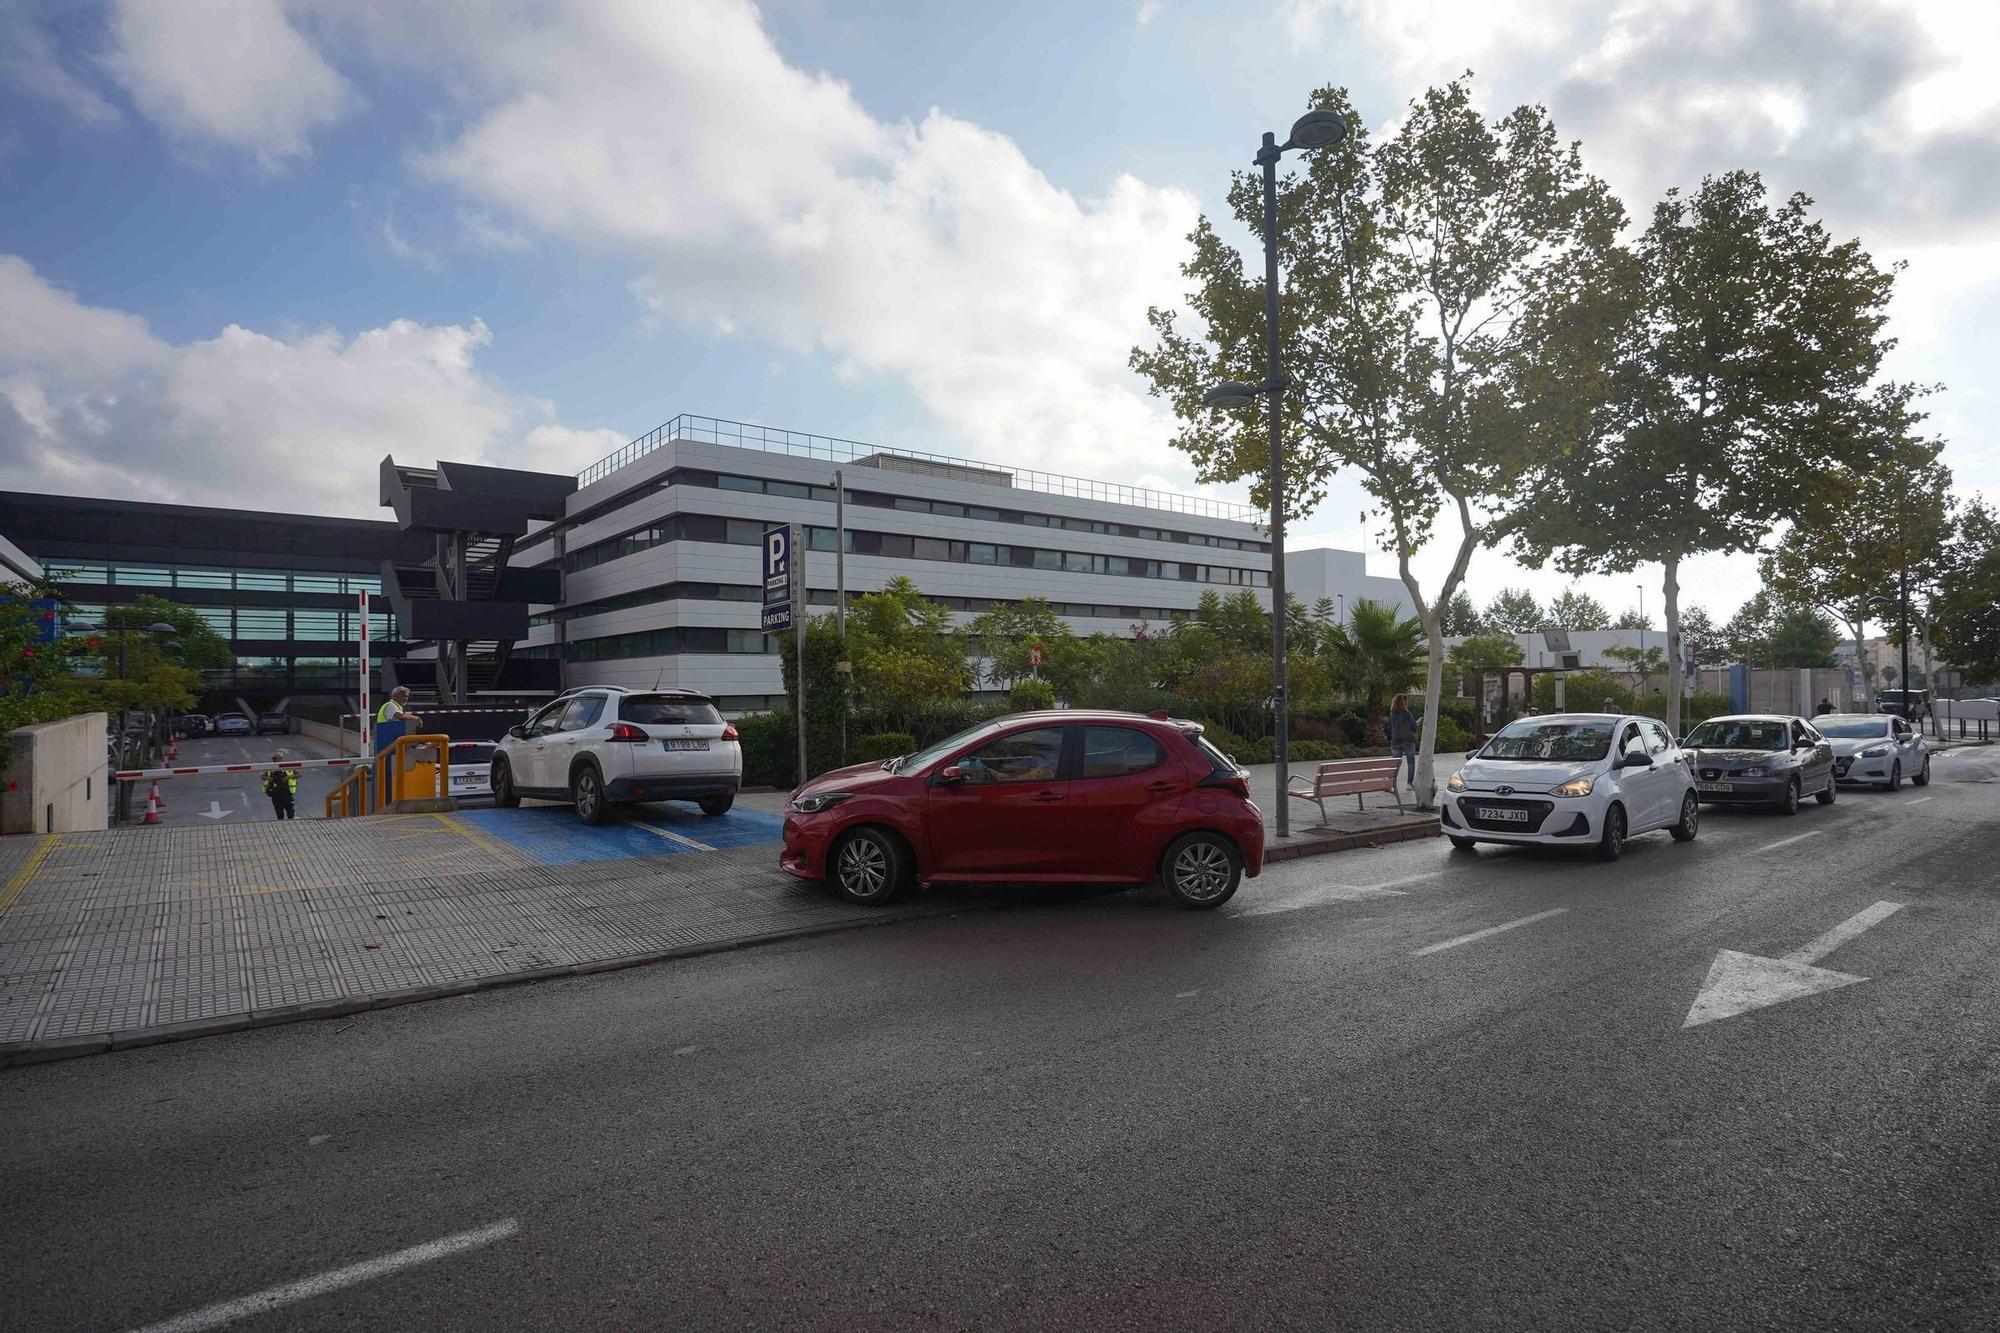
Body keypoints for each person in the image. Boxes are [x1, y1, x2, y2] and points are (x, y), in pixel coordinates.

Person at [1386, 694, 1418, 787]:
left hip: (1395, 741)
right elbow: (1414, 727)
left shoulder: (1392, 714)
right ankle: (1409, 784)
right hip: (1408, 740)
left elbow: (1389, 728)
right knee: (1411, 763)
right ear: (1404, 702)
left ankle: (1390, 783)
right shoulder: (1407, 713)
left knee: (1395, 764)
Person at [263, 752, 297, 820]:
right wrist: (268, 778)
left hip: (287, 793)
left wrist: (288, 777)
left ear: (280, 759)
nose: (273, 760)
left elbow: (299, 774)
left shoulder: (287, 768)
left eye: (275, 758)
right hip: (275, 794)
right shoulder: (271, 769)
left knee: (290, 812)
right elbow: (262, 776)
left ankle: (292, 826)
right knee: (279, 814)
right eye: (273, 759)